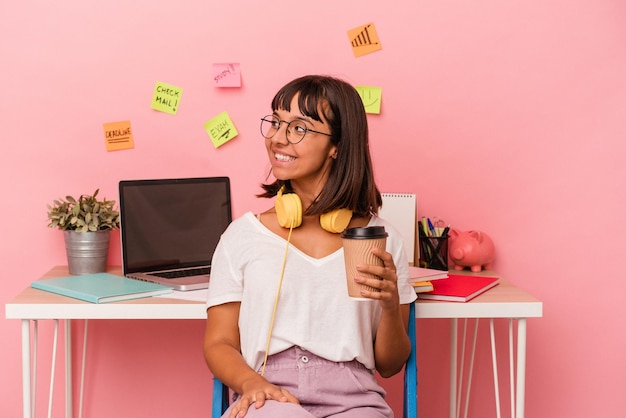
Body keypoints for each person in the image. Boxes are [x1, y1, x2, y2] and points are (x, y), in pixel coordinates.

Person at [203, 74, 417, 418]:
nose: (277, 138)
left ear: (337, 145)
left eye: (298, 128)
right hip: (268, 396)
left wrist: (391, 307)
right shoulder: (242, 236)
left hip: (356, 399)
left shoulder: (382, 239)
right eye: (275, 122)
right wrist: (250, 383)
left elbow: (390, 366)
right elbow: (219, 343)